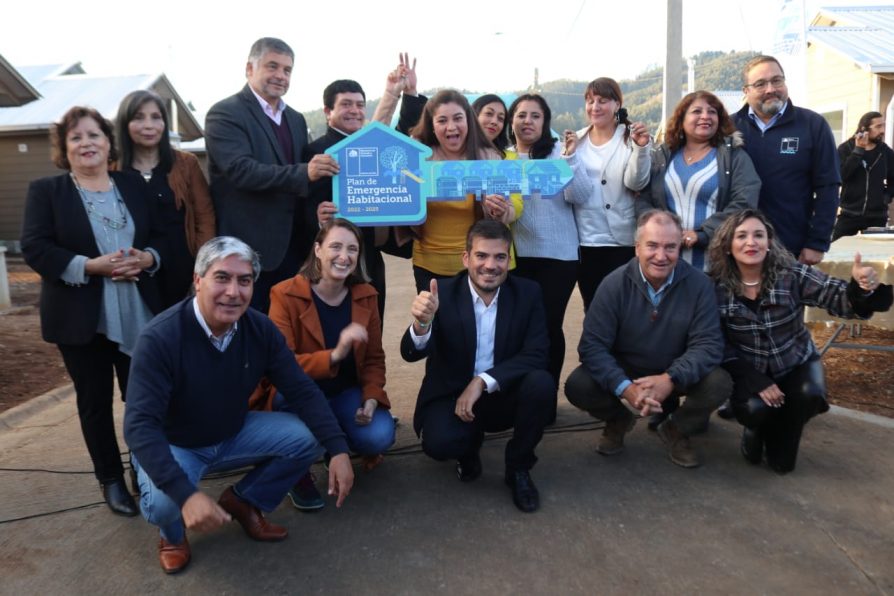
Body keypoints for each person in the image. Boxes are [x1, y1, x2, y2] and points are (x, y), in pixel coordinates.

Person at [124, 236, 354, 574]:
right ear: (198, 280)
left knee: (310, 436)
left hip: (234, 431)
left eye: (244, 281)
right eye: (222, 277)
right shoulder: (160, 338)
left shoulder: (259, 329)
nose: (234, 291)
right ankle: (172, 535)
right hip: (177, 444)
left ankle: (244, 501)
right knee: (163, 503)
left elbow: (302, 390)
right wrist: (187, 495)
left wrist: (338, 450)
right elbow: (139, 426)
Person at [20, 106, 164, 517]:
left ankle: (146, 471)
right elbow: (36, 247)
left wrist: (149, 258)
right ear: (64, 149)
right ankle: (111, 480)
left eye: (94, 135)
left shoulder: (133, 185)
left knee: (142, 399)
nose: (87, 143)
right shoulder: (47, 191)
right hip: (80, 314)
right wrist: (89, 266)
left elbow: (163, 235)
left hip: (138, 310)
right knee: (95, 402)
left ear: (108, 143)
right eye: (76, 137)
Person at [708, 209, 891, 473]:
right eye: (742, 236)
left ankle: (781, 427)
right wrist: (753, 378)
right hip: (749, 371)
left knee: (793, 436)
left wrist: (859, 289)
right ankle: (756, 427)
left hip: (794, 362)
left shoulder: (790, 274)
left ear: (769, 243)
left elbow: (835, 297)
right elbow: (716, 342)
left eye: (759, 235)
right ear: (727, 246)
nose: (751, 242)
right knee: (754, 408)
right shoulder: (715, 287)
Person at [401, 220, 554, 512]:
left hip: (501, 394)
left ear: (509, 261)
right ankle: (467, 449)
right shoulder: (442, 294)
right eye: (481, 255)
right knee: (439, 444)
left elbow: (537, 353)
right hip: (451, 395)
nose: (490, 265)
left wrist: (482, 381)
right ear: (466, 258)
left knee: (541, 384)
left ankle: (518, 468)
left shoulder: (528, 293)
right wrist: (422, 324)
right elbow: (410, 354)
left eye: (499, 257)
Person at [564, 210, 731, 468]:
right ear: (637, 248)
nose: (661, 256)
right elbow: (592, 346)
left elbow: (708, 345)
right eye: (652, 246)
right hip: (627, 370)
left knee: (719, 382)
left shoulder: (699, 285)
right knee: (578, 385)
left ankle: (676, 428)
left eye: (670, 247)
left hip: (675, 370)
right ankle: (618, 420)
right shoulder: (613, 284)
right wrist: (625, 388)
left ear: (680, 248)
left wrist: (670, 379)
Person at [258, 219, 394, 511]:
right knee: (287, 403)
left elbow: (373, 358)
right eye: (335, 246)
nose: (344, 256)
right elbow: (281, 366)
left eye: (352, 249)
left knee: (380, 435)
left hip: (343, 392)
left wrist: (371, 399)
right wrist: (336, 353)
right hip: (298, 396)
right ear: (317, 250)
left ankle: (331, 440)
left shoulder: (366, 295)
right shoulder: (284, 294)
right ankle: (299, 472)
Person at [205, 37, 339, 312]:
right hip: (246, 251)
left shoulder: (296, 119)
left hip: (295, 249)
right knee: (246, 334)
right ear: (249, 69)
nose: (280, 75)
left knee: (286, 336)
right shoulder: (225, 113)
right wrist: (305, 172)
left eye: (287, 70)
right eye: (272, 66)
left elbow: (306, 183)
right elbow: (241, 171)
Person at [309, 54, 426, 320]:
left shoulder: (375, 142)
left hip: (371, 259)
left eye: (360, 105)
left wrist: (408, 92)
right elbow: (305, 206)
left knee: (372, 329)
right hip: (331, 258)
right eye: (346, 104)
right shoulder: (316, 152)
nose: (355, 110)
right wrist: (318, 218)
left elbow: (405, 130)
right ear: (328, 112)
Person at [506, 93, 587, 388]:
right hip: (517, 256)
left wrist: (570, 159)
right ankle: (523, 392)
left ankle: (546, 396)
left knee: (549, 326)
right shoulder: (504, 157)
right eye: (521, 115)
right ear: (511, 120)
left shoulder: (558, 152)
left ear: (545, 122)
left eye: (535, 116)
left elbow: (580, 195)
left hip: (558, 257)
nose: (528, 121)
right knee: (519, 329)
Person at [407, 90, 520, 293]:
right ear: (432, 126)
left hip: (476, 265)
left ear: (469, 121)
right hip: (428, 264)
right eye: (442, 120)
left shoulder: (489, 158)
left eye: (458, 118)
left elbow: (509, 211)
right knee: (435, 322)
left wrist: (500, 211)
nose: (451, 127)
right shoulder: (418, 158)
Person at [733, 55, 841, 265]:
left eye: (777, 80)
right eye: (760, 84)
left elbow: (828, 186)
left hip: (793, 248)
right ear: (746, 91)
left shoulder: (813, 125)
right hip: (738, 249)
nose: (770, 89)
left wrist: (817, 242)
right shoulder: (729, 128)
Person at [638, 90, 760, 271]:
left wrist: (702, 234)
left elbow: (745, 201)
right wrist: (659, 232)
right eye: (696, 111)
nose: (705, 116)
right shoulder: (663, 155)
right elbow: (643, 197)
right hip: (665, 260)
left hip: (715, 262)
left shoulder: (734, 156)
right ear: (681, 118)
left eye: (712, 112)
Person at [116, 90, 216, 308]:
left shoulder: (185, 164)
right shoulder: (112, 168)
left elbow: (204, 218)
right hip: (131, 274)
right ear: (124, 123)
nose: (149, 125)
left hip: (180, 271)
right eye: (138, 117)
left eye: (156, 117)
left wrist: (202, 269)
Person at [568, 77, 652, 312]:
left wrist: (641, 149)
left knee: (625, 308)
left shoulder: (630, 137)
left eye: (603, 101)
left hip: (621, 240)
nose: (595, 107)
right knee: (593, 308)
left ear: (617, 104)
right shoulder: (578, 140)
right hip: (584, 241)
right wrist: (570, 155)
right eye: (590, 101)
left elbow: (636, 182)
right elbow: (571, 190)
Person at [833, 111, 894, 240]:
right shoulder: (846, 148)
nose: (882, 130)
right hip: (849, 215)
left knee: (874, 256)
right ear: (864, 128)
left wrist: (887, 196)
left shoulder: (885, 151)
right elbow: (842, 175)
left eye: (883, 126)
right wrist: (858, 151)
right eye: (878, 127)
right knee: (837, 250)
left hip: (877, 217)